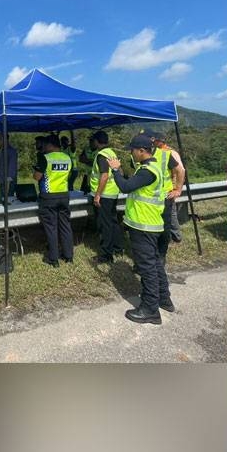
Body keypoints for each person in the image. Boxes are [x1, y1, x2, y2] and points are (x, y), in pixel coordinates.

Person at [107, 134, 171, 324]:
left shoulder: (148, 171)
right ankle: (164, 299)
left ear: (142, 151)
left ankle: (150, 309)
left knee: (147, 268)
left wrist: (116, 171)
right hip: (150, 224)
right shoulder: (149, 168)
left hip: (144, 226)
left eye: (133, 150)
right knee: (155, 264)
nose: (131, 153)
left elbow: (125, 187)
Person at [33, 135, 73, 266]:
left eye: (45, 145)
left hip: (49, 197)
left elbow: (37, 177)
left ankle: (53, 259)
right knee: (65, 226)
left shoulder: (45, 158)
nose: (43, 147)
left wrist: (36, 171)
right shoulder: (67, 158)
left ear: (50, 145)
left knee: (51, 228)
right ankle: (68, 256)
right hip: (64, 195)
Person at [144, 129, 186, 246]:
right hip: (158, 191)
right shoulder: (156, 152)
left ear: (158, 141)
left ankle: (176, 237)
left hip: (168, 189)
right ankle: (167, 237)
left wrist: (177, 189)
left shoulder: (169, 153)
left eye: (154, 141)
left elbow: (181, 170)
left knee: (170, 215)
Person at [89, 130, 125, 264]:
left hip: (104, 195)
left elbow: (104, 175)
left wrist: (97, 195)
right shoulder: (111, 153)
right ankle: (118, 247)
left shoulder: (101, 155)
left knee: (105, 225)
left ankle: (106, 254)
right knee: (113, 222)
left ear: (97, 142)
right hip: (112, 192)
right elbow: (119, 170)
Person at [0, 135, 18, 203]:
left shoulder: (11, 151)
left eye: (0, 139)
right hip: (3, 182)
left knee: (7, 203)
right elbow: (1, 167)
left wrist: (7, 186)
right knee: (1, 203)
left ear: (5, 140)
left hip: (8, 184)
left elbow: (12, 169)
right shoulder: (3, 150)